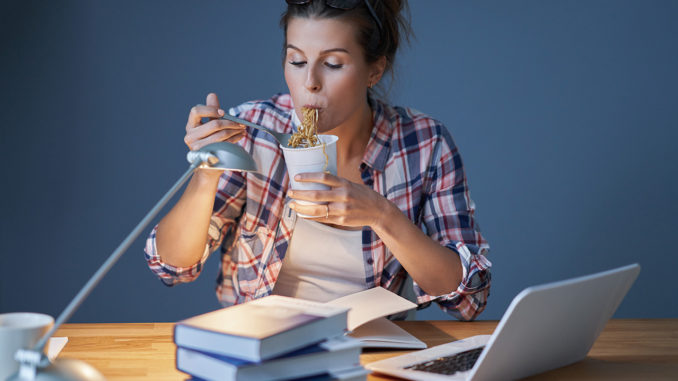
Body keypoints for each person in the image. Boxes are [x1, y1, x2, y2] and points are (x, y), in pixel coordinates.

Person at [145, 0, 491, 321]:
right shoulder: (253, 130)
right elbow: (173, 267)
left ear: (374, 71)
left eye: (333, 64)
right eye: (297, 61)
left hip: (371, 353)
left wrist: (381, 215)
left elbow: (468, 300)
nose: (309, 83)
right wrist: (208, 170)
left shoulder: (424, 143)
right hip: (259, 347)